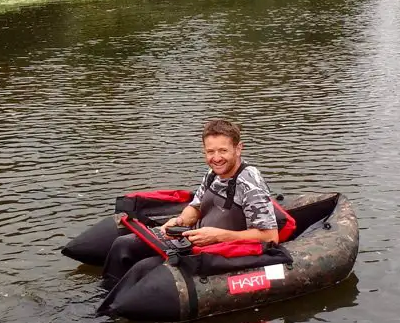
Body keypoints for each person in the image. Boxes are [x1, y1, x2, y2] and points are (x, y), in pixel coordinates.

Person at [101, 119, 279, 288]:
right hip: (194, 240)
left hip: (221, 250)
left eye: (223, 151)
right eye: (210, 152)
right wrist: (180, 221)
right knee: (122, 245)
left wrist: (218, 236)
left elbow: (270, 237)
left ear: (238, 149)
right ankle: (106, 298)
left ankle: (114, 308)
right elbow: (196, 206)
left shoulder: (250, 184)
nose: (216, 158)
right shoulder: (213, 173)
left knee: (142, 269)